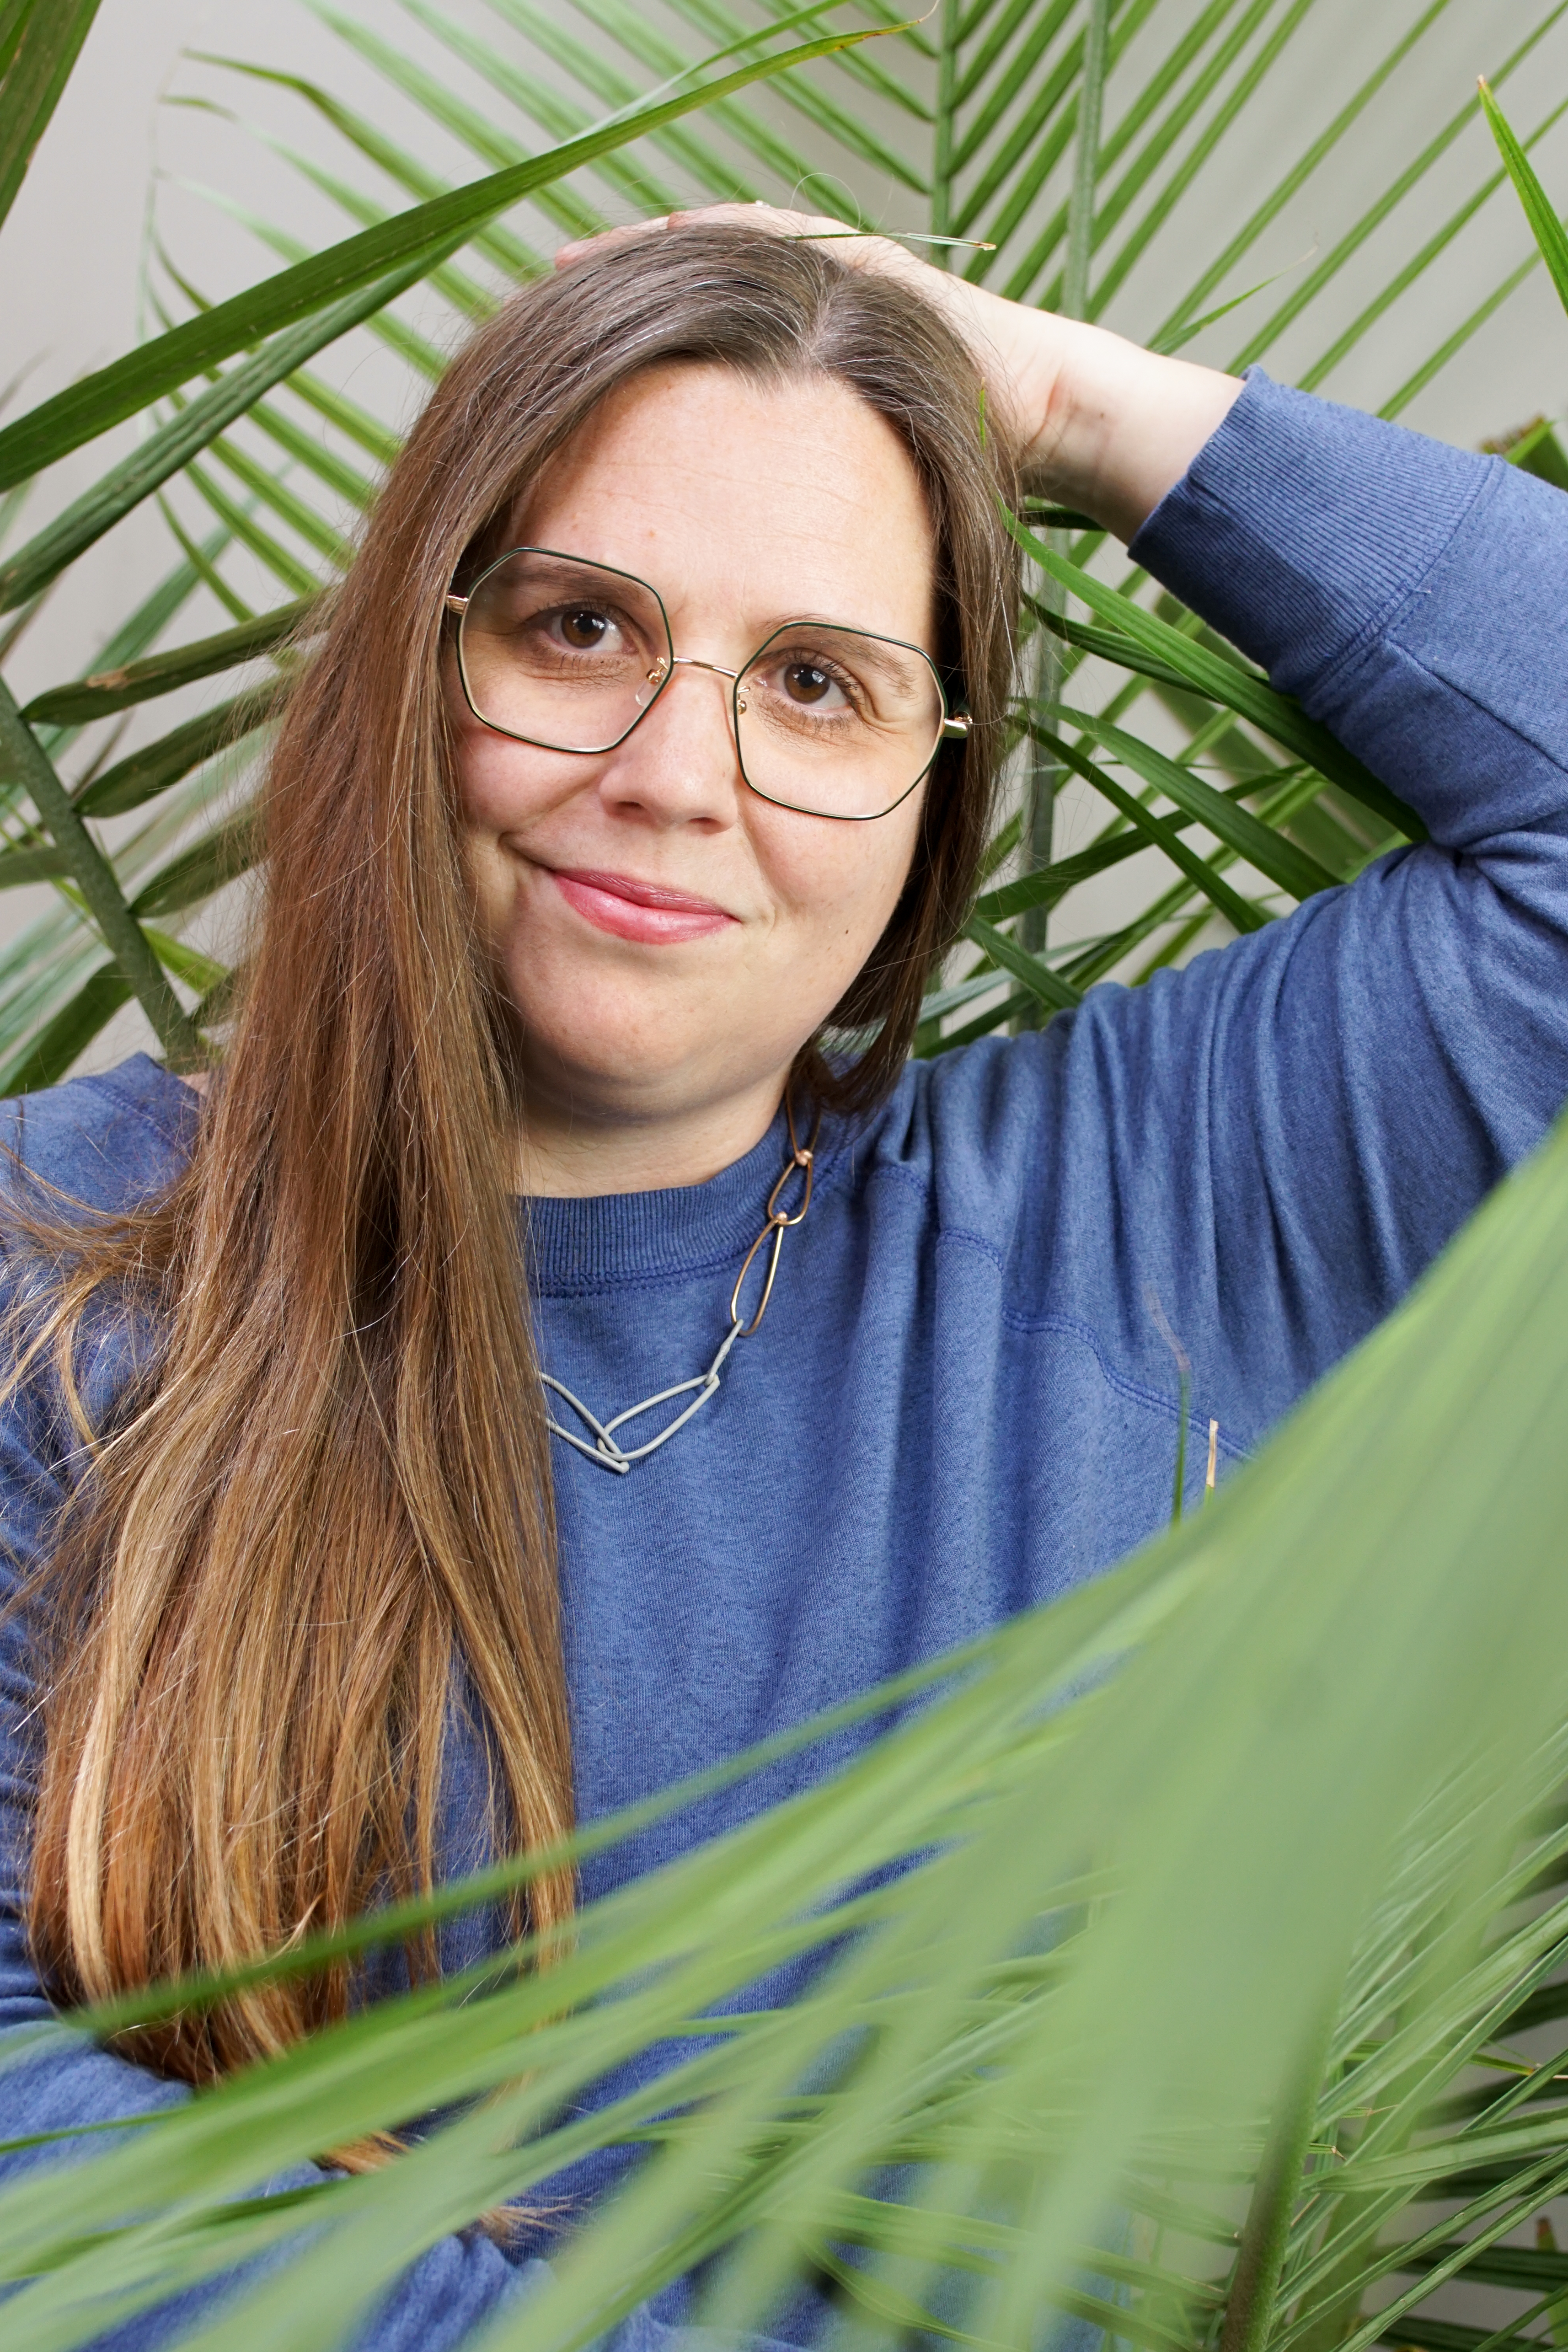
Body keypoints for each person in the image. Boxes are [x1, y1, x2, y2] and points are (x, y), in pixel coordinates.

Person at [1, 204, 1566, 2349]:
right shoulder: (61, 1266)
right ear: (416, 654)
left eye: (820, 680)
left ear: (938, 792)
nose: (673, 774)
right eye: (576, 627)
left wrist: (1057, 398)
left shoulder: (1153, 1198)